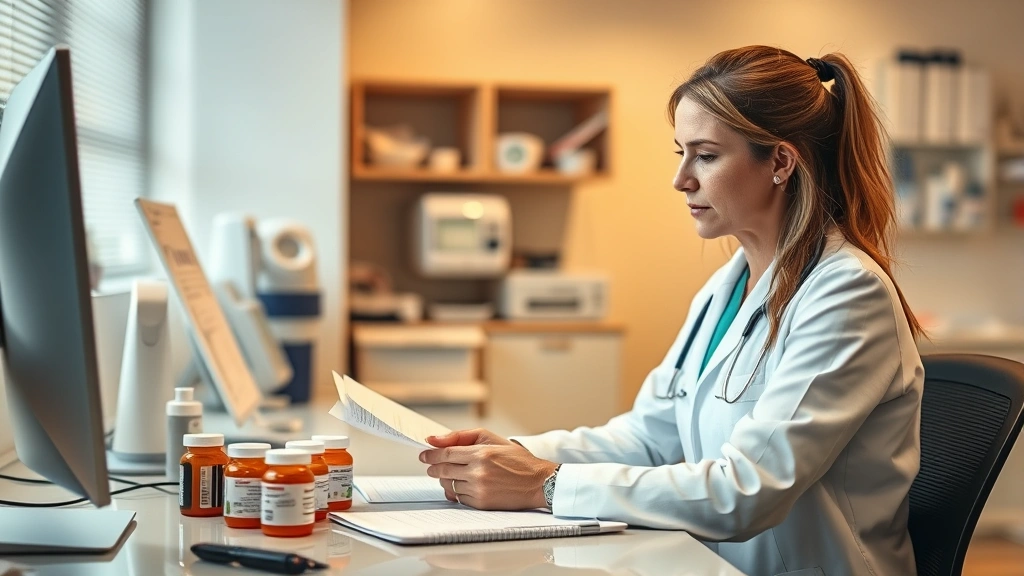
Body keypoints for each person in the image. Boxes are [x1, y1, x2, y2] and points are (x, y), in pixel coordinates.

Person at [419, 45, 925, 576]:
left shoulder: (846, 294)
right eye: (680, 153)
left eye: (705, 155)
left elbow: (747, 490)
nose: (681, 179)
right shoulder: (724, 289)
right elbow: (650, 439)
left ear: (780, 161)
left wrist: (543, 483)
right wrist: (515, 453)